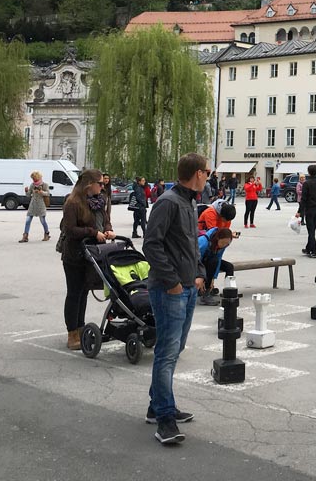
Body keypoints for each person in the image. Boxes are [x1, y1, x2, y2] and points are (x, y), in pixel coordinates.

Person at [142, 153, 209, 445]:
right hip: (170, 289)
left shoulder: (190, 201)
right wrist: (171, 282)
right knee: (167, 352)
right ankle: (165, 418)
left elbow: (191, 243)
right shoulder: (168, 202)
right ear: (197, 173)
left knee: (176, 347)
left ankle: (156, 405)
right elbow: (151, 245)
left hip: (187, 286)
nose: (209, 176)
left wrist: (198, 272)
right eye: (207, 171)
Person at [59, 169, 113, 349]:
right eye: (100, 183)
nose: (103, 186)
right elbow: (70, 230)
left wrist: (107, 229)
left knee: (84, 292)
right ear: (89, 184)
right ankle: (72, 333)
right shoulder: (73, 202)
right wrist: (93, 232)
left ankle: (81, 328)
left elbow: (105, 219)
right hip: (74, 254)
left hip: (92, 253)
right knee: (74, 293)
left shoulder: (99, 201)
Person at [197, 225, 237, 306]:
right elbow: (196, 261)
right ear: (218, 238)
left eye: (227, 244)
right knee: (212, 262)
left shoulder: (224, 244)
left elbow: (219, 258)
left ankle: (228, 292)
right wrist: (200, 276)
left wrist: (213, 278)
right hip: (197, 261)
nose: (224, 245)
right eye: (222, 243)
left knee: (229, 267)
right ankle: (205, 295)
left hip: (211, 260)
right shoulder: (203, 241)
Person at [298, 164, 316, 258]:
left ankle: (314, 251)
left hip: (309, 209)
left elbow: (304, 199)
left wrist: (299, 211)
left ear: (309, 172)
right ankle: (308, 248)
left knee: (311, 231)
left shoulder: (306, 183)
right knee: (312, 229)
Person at [21, 170, 50, 243]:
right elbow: (28, 195)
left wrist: (41, 192)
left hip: (41, 205)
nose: (33, 180)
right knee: (28, 220)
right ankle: (25, 236)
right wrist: (26, 191)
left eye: (34, 178)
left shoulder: (44, 185)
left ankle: (46, 234)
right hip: (33, 205)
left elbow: (48, 193)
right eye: (33, 179)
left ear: (38, 177)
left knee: (42, 221)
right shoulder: (32, 185)